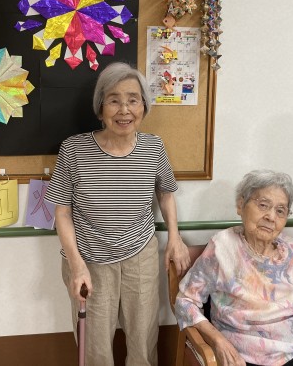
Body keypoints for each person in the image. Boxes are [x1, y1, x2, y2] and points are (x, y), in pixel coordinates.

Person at [45, 61, 190, 366]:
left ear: (143, 107)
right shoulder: (73, 150)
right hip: (90, 258)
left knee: (143, 341)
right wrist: (77, 266)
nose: (124, 110)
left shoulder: (153, 147)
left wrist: (175, 238)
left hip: (141, 255)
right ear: (100, 108)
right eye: (114, 100)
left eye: (133, 100)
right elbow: (62, 211)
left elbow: (166, 193)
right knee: (95, 347)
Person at [175, 170, 293, 366]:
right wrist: (217, 341)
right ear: (241, 205)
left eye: (280, 211)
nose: (271, 217)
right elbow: (186, 302)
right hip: (245, 355)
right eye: (263, 205)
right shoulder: (222, 248)